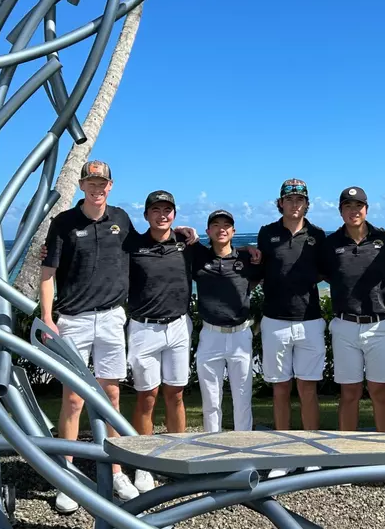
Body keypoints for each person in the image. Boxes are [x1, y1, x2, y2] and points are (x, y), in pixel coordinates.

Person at [39, 160, 139, 512]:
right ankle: (67, 476)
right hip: (73, 321)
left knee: (112, 395)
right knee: (73, 399)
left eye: (102, 183)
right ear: (82, 185)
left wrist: (182, 234)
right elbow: (48, 273)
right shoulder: (63, 223)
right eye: (91, 182)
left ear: (110, 185)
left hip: (111, 318)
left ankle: (116, 471)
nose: (97, 188)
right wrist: (47, 318)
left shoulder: (121, 219)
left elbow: (145, 248)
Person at [320, 186, 385, 488]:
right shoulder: (330, 244)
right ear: (340, 211)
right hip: (344, 325)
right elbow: (318, 274)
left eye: (358, 206)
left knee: (381, 393)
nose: (353, 211)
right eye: (348, 206)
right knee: (349, 394)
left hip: (380, 326)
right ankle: (347, 460)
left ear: (367, 209)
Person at [124, 189, 196, 492]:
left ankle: (177, 458)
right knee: (147, 396)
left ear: (174, 215)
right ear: (146, 215)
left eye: (167, 210)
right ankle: (144, 463)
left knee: (176, 394)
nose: (162, 215)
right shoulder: (132, 246)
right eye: (156, 210)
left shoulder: (186, 245)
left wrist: (250, 252)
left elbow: (221, 253)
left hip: (178, 326)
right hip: (143, 329)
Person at [257, 178, 326, 476]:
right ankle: (283, 454)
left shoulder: (318, 235)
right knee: (280, 389)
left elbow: (326, 271)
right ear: (280, 203)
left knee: (308, 388)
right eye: (289, 199)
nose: (294, 204)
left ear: (307, 204)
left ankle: (311, 451)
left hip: (310, 320)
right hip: (274, 320)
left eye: (300, 200)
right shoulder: (266, 233)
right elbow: (258, 264)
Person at [193, 209, 262, 433]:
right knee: (211, 400)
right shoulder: (198, 257)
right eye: (216, 225)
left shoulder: (246, 258)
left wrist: (247, 248)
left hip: (241, 335)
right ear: (207, 231)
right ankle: (212, 445)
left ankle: (243, 446)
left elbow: (258, 278)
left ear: (233, 231)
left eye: (226, 225)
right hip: (210, 335)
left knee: (242, 398)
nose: (221, 229)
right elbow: (176, 239)